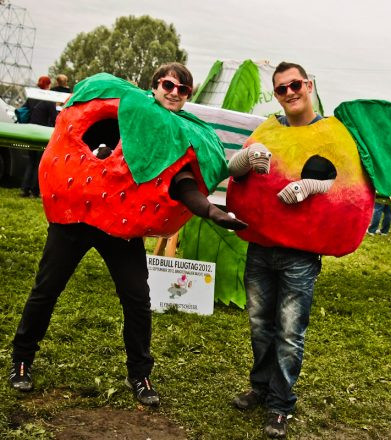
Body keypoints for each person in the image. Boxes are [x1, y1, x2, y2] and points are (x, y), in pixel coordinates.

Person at [9, 62, 246, 407]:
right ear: (155, 85)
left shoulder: (178, 132)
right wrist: (101, 154)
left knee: (137, 300)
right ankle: (21, 360)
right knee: (46, 289)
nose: (174, 92)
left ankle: (140, 374)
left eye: (183, 90)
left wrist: (211, 211)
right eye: (168, 84)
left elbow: (182, 183)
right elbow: (86, 141)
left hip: (121, 228)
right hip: (74, 219)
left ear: (188, 96)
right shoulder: (126, 108)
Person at [229, 62, 335, 438]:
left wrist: (312, 186)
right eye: (280, 89)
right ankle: (260, 387)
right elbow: (233, 171)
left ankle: (280, 404)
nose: (289, 93)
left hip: (301, 254)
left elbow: (344, 185)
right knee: (260, 326)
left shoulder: (330, 133)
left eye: (294, 85)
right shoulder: (269, 128)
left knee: (290, 332)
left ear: (308, 85)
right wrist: (247, 157)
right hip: (260, 244)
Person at [20, 76, 57, 197]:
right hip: (42, 134)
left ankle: (25, 189)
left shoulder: (32, 97)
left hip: (30, 131)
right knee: (39, 163)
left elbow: (25, 110)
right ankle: (35, 190)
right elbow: (53, 118)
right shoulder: (49, 99)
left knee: (31, 161)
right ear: (48, 85)